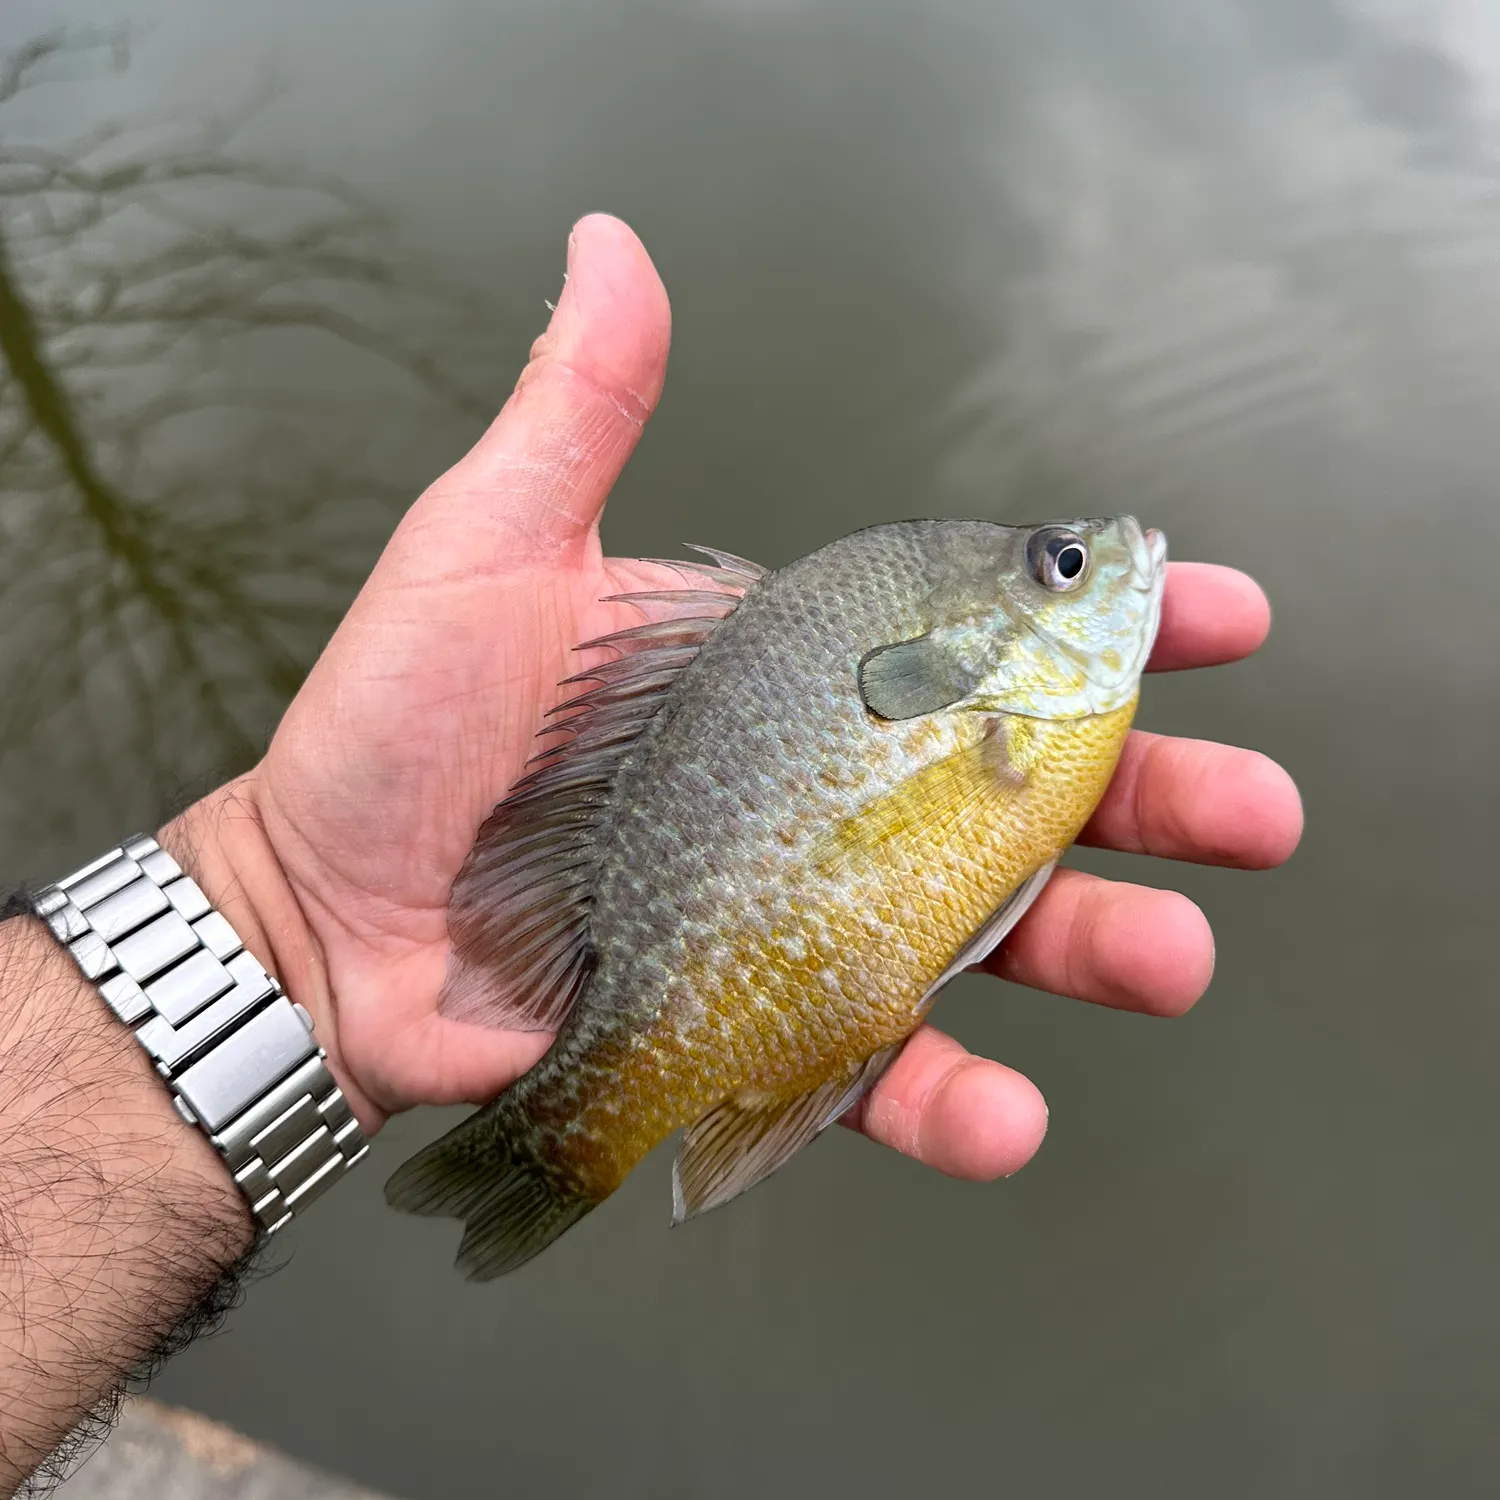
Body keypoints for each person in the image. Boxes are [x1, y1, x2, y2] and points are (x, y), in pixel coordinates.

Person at [0, 215, 1302, 1491]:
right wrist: (284, 907)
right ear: (971, 646)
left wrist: (274, 916)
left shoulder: (1014, 720)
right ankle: (571, 1137)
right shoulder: (1013, 724)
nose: (1098, 560)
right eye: (1062, 566)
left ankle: (563, 1136)